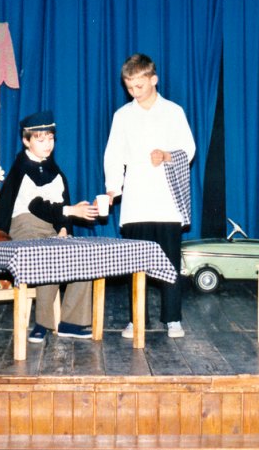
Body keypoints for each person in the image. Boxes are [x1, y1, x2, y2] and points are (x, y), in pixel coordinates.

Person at [103, 53, 195, 339]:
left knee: (169, 263)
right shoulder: (122, 116)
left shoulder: (174, 112)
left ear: (153, 80)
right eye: (129, 87)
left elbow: (189, 148)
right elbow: (114, 155)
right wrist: (112, 187)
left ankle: (173, 318)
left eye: (139, 86)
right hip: (136, 203)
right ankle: (136, 319)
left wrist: (167, 155)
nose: (134, 92)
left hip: (167, 202)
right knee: (135, 262)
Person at [0, 110, 98, 343]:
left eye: (50, 138)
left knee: (85, 256)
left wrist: (63, 230)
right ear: (26, 141)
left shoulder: (55, 172)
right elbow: (37, 205)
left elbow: (60, 206)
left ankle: (72, 322)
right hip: (25, 227)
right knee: (48, 253)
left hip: (50, 229)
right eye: (40, 140)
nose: (47, 144)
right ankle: (42, 323)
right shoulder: (21, 168)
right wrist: (71, 211)